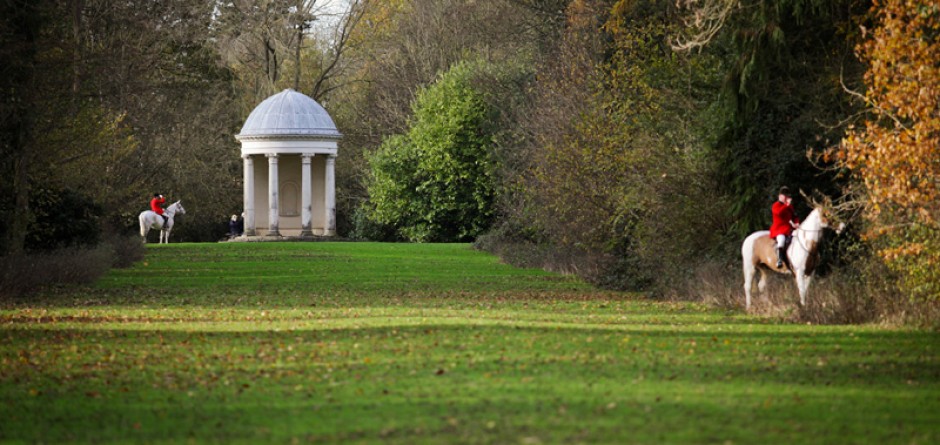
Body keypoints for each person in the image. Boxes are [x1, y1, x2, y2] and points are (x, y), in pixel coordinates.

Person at [770, 186, 800, 268]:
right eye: (785, 196)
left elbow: (795, 216)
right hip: (779, 229)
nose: (786, 198)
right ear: (780, 196)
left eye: (787, 196)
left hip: (790, 228)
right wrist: (787, 205)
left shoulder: (789, 206)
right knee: (781, 240)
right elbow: (779, 213)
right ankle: (779, 260)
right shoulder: (775, 205)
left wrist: (797, 223)